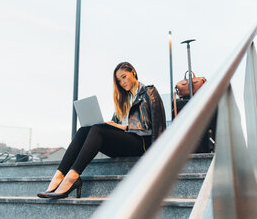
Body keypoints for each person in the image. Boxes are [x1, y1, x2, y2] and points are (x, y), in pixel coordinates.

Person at [37, 61, 166, 199]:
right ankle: (58, 177)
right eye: (119, 80)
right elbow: (113, 131)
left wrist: (116, 126)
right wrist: (110, 125)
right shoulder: (124, 100)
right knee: (83, 130)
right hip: (126, 144)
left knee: (98, 129)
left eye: (124, 76)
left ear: (133, 72)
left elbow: (154, 125)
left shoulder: (149, 91)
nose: (122, 82)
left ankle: (72, 178)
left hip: (142, 144)